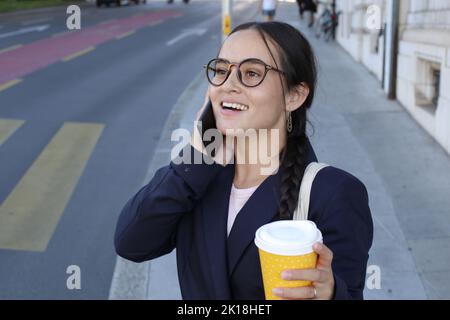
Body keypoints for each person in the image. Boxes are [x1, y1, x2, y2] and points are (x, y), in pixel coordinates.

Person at [114, 21, 373, 300]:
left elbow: (350, 292)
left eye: (251, 73)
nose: (228, 85)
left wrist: (330, 293)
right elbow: (131, 243)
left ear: (294, 96)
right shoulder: (197, 178)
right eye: (222, 70)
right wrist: (194, 160)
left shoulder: (334, 193)